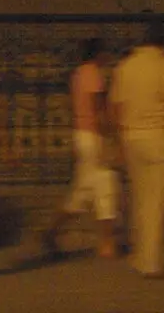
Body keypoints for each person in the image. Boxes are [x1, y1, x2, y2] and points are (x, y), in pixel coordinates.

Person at [109, 21, 164, 279]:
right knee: (157, 201)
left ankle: (139, 255)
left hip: (131, 136)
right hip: (159, 137)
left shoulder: (126, 66)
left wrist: (118, 141)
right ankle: (152, 263)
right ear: (163, 42)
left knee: (139, 198)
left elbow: (115, 107)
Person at [42, 38, 119, 259]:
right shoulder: (93, 74)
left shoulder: (78, 74)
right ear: (98, 54)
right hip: (94, 136)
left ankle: (52, 232)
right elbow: (99, 110)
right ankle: (106, 242)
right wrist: (110, 138)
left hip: (83, 134)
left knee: (84, 190)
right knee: (105, 184)